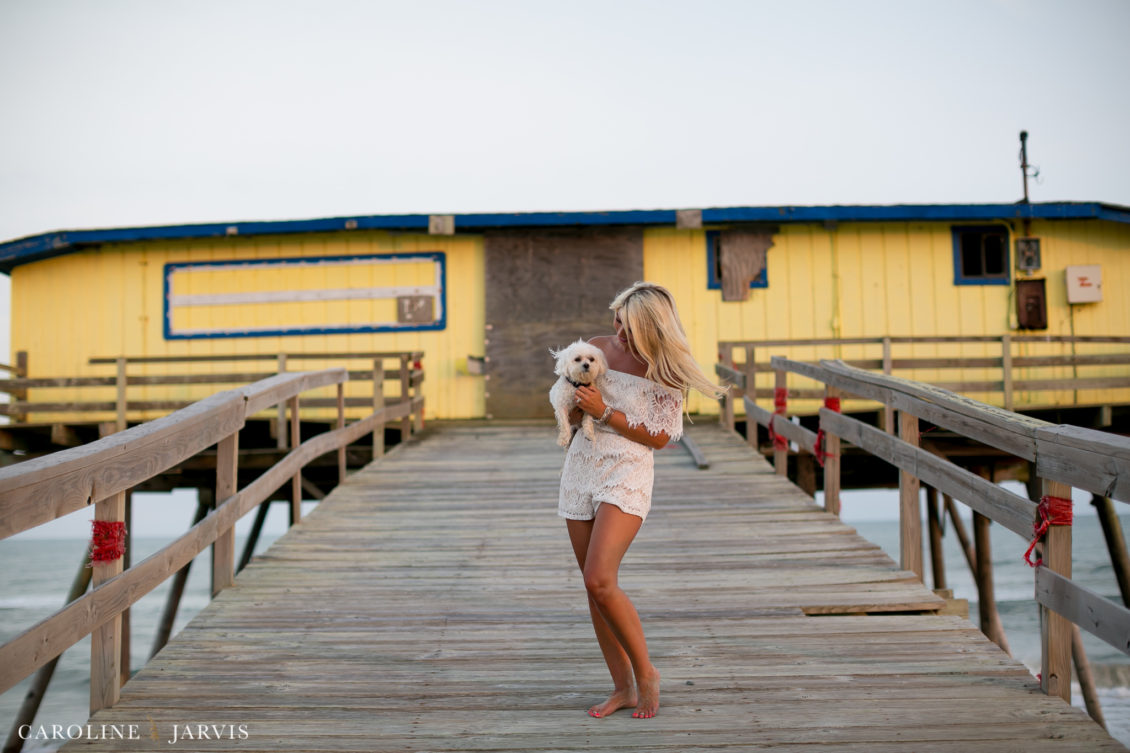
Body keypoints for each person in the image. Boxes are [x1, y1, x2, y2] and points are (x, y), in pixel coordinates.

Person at [557, 281, 725, 719]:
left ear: (653, 328)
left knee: (600, 578)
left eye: (629, 327)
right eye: (617, 320)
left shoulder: (663, 370)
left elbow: (661, 437)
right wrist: (573, 408)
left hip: (627, 471)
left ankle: (646, 673)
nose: (619, 333)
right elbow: (568, 407)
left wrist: (604, 412)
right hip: (582, 466)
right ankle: (623, 687)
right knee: (593, 590)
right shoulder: (593, 348)